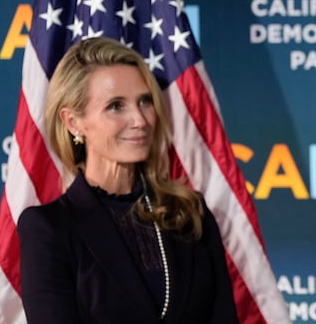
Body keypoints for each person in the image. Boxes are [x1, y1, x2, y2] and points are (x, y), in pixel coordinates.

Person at [17, 37, 239, 323]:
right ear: (74, 122)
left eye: (145, 101)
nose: (140, 119)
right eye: (116, 106)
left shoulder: (189, 212)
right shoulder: (49, 229)